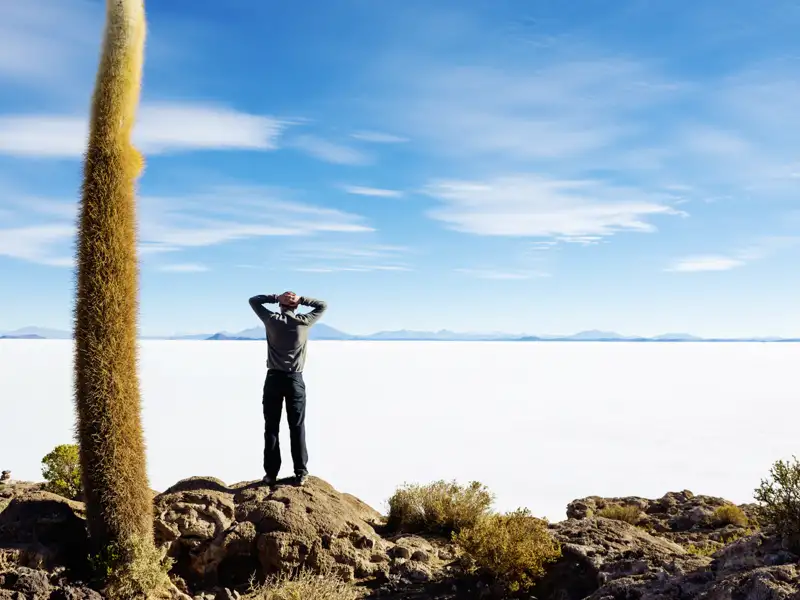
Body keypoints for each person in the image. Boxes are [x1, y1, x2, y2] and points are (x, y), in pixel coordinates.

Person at [248, 290, 327, 487]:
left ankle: (270, 475)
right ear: (296, 307)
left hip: (273, 379)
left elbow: (254, 301)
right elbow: (322, 305)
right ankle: (300, 473)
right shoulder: (304, 322)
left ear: (281, 306)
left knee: (271, 427)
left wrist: (275, 297)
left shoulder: (271, 319)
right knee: (297, 426)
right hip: (295, 380)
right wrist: (302, 299)